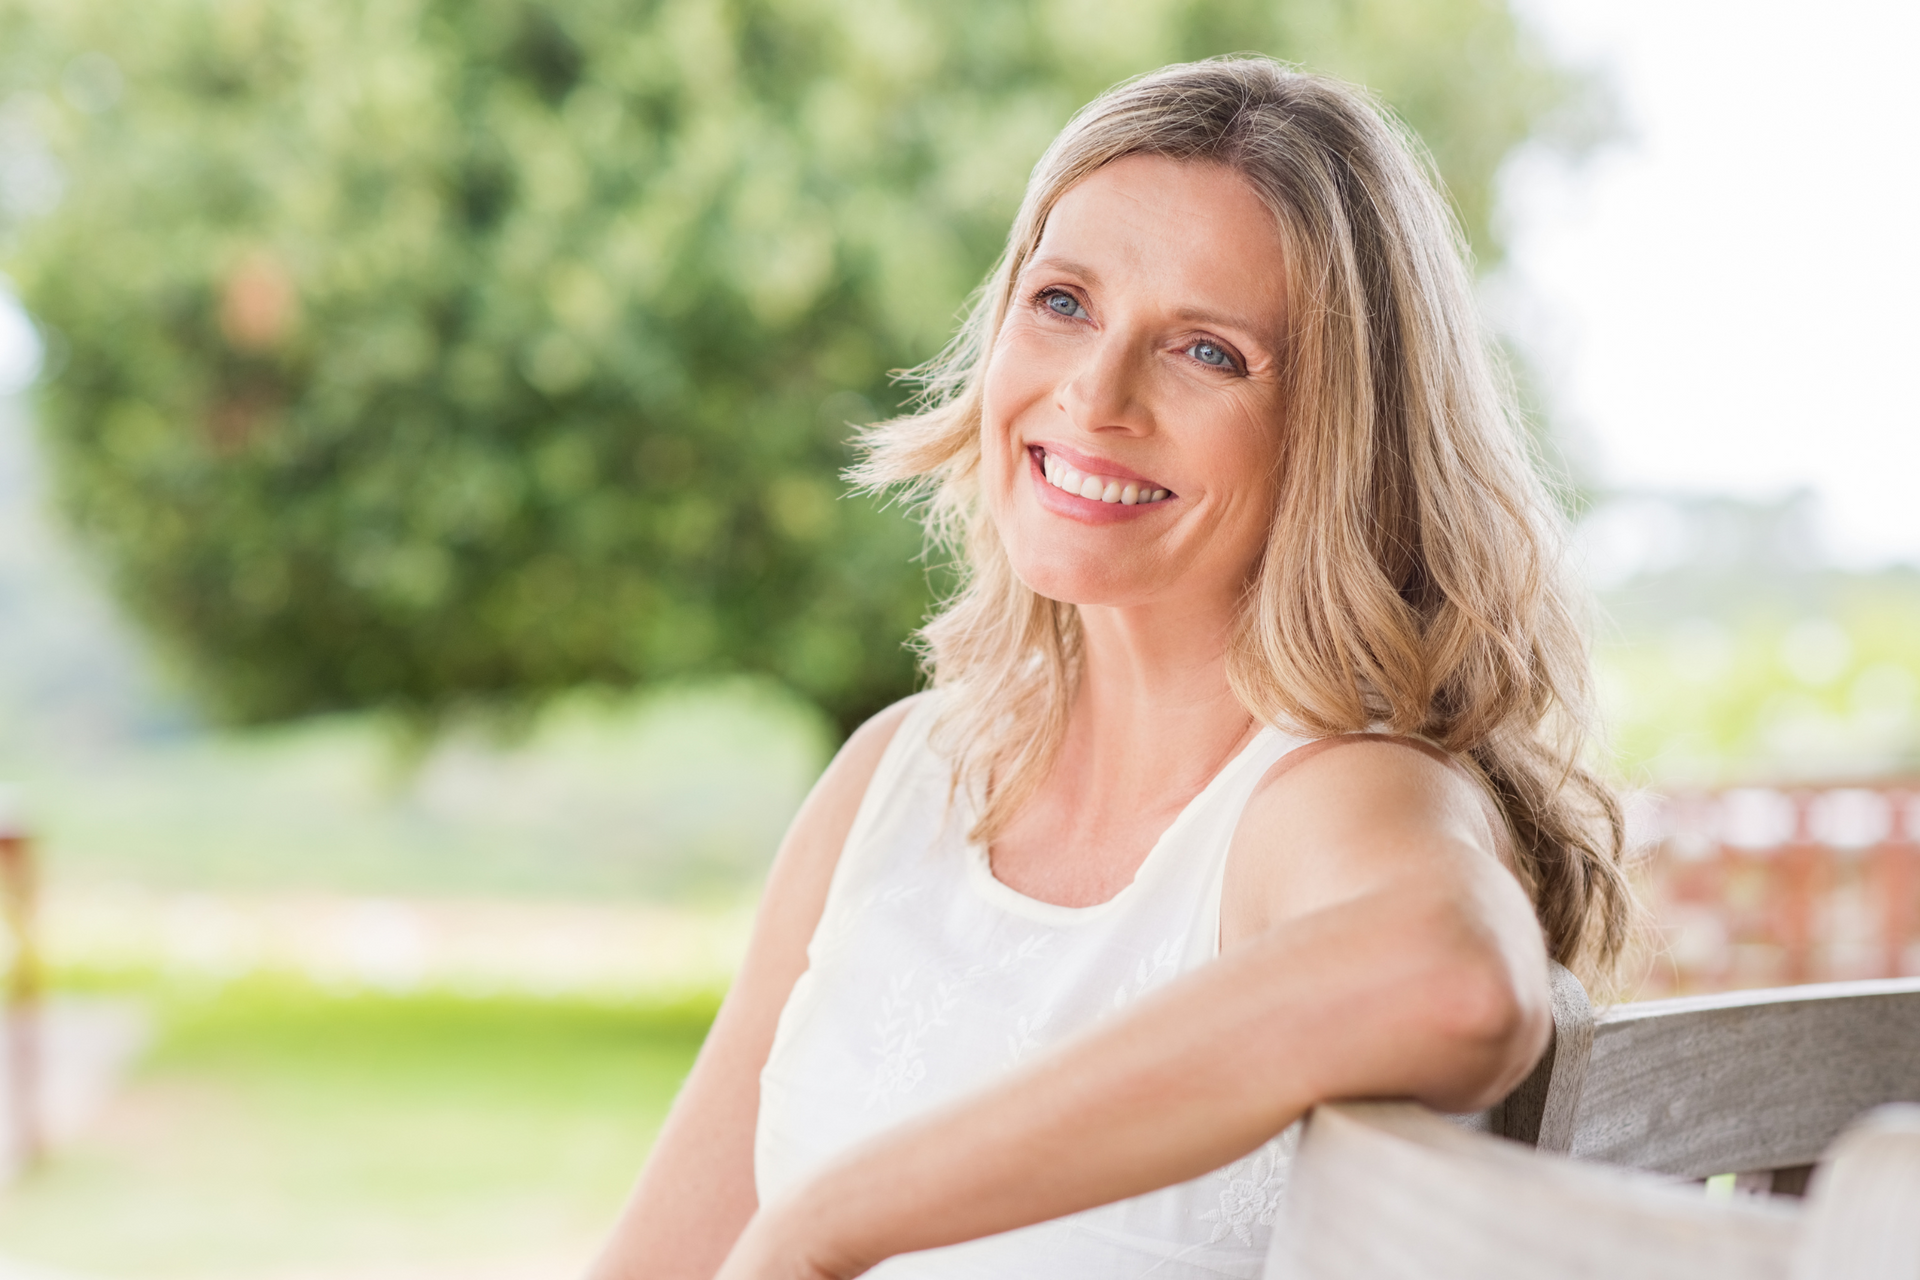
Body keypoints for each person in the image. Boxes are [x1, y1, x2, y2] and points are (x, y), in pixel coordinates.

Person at [589, 57, 1636, 1279]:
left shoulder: (1334, 793)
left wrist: (835, 1220)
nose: (1094, 395)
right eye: (1065, 302)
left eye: (1207, 350)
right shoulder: (898, 773)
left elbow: (1457, 982)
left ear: (1335, 434)